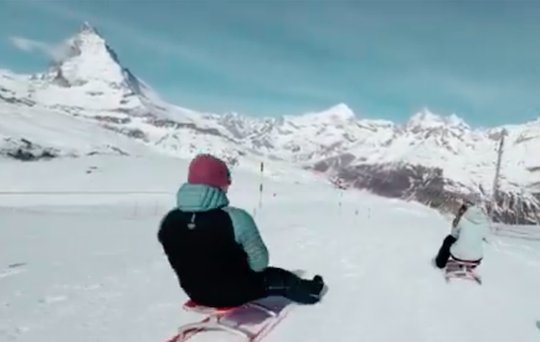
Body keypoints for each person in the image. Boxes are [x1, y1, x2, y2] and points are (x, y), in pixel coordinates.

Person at [158, 154, 325, 308]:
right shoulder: (236, 218)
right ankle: (313, 291)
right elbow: (260, 263)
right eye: (226, 179)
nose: (229, 184)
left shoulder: (169, 220)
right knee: (282, 279)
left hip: (195, 292)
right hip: (234, 293)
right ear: (220, 182)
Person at [434, 202, 490, 268]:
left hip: (459, 255)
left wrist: (457, 219)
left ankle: (440, 263)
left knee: (449, 239)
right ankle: (470, 264)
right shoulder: (484, 223)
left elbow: (454, 235)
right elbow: (484, 236)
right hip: (477, 258)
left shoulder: (462, 220)